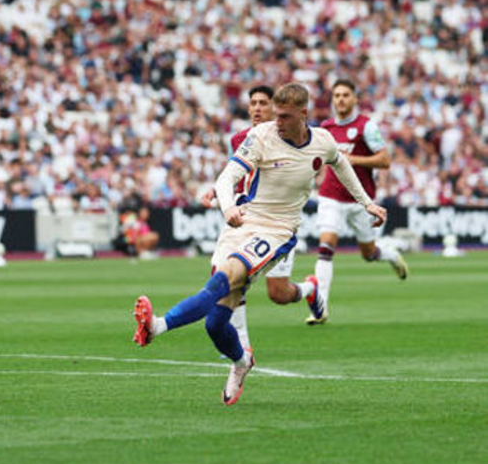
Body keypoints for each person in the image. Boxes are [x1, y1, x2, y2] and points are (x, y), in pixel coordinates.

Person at [133, 83, 387, 405]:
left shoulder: (322, 140)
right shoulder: (260, 136)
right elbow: (226, 178)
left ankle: (157, 327)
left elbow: (340, 163)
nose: (275, 121)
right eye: (273, 114)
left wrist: (366, 203)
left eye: (283, 116)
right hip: (242, 221)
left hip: (277, 231)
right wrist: (228, 207)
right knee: (215, 323)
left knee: (225, 281)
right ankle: (241, 361)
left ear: (303, 115)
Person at [310, 79, 408, 325]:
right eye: (336, 95)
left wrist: (353, 160)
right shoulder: (326, 127)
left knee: (369, 253)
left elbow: (385, 160)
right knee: (326, 245)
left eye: (345, 95)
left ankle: (390, 254)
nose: (340, 99)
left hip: (361, 199)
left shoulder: (366, 126)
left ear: (355, 99)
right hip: (330, 195)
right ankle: (319, 308)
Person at [201, 84, 275, 356]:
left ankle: (309, 289)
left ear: (275, 108)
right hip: (244, 217)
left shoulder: (285, 139)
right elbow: (236, 176)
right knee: (225, 273)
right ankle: (242, 343)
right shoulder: (240, 139)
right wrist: (219, 192)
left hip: (274, 222)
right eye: (253, 103)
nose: (256, 108)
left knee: (280, 293)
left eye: (263, 103)